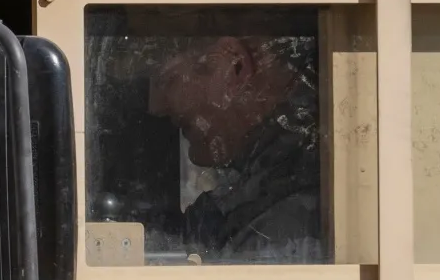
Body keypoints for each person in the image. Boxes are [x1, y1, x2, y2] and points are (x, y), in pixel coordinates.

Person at [140, 25, 327, 263]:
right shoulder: (263, 185)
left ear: (234, 66)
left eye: (167, 80)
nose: (156, 106)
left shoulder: (293, 210)